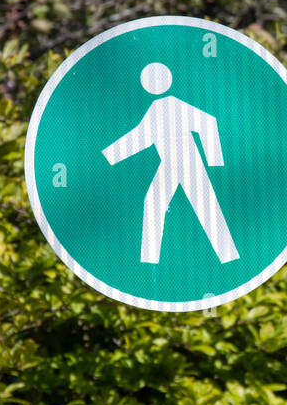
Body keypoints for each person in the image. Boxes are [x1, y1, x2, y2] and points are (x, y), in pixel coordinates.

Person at [102, 62, 239, 264]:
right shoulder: (156, 109)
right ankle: (149, 261)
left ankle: (227, 256)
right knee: (155, 202)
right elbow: (141, 136)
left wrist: (214, 160)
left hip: (189, 163)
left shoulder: (173, 104)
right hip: (170, 165)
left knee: (204, 206)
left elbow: (208, 122)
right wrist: (110, 156)